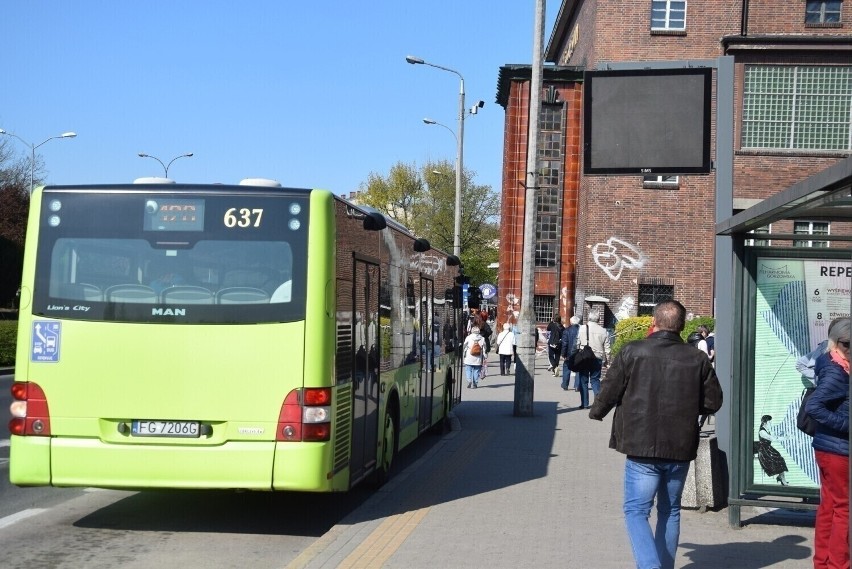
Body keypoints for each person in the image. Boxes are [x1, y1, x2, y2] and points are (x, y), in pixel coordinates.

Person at [589, 300, 723, 569]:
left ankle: (650, 566)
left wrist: (597, 411)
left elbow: (611, 389)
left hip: (641, 445)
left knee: (637, 511)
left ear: (654, 322)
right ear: (683, 327)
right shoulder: (696, 358)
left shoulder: (632, 351)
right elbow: (713, 401)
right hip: (679, 445)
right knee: (670, 510)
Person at [805, 317, 850, 569]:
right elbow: (815, 406)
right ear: (835, 343)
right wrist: (846, 425)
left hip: (829, 448)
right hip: (838, 449)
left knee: (831, 507)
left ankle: (823, 562)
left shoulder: (833, 364)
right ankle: (837, 564)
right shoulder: (836, 370)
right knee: (843, 509)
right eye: (847, 343)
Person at [574, 308, 611, 409]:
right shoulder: (604, 331)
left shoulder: (581, 328)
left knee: (583, 380)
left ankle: (584, 403)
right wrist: (607, 361)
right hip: (597, 358)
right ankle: (598, 403)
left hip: (584, 357)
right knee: (595, 380)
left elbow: (577, 343)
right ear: (598, 319)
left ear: (589, 317)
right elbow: (607, 349)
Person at [755, 415, 789, 486]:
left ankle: (781, 477)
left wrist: (783, 436)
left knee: (780, 458)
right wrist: (784, 438)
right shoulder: (762, 431)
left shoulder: (767, 430)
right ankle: (782, 478)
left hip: (768, 449)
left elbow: (774, 436)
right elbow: (772, 438)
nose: (771, 423)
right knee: (778, 460)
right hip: (764, 451)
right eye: (769, 422)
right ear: (765, 423)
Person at [560, 315, 581, 391]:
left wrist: (563, 354)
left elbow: (564, 343)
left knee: (566, 368)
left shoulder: (566, 331)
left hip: (569, 353)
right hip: (579, 353)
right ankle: (577, 386)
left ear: (571, 322)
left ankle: (565, 385)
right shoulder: (581, 330)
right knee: (579, 369)